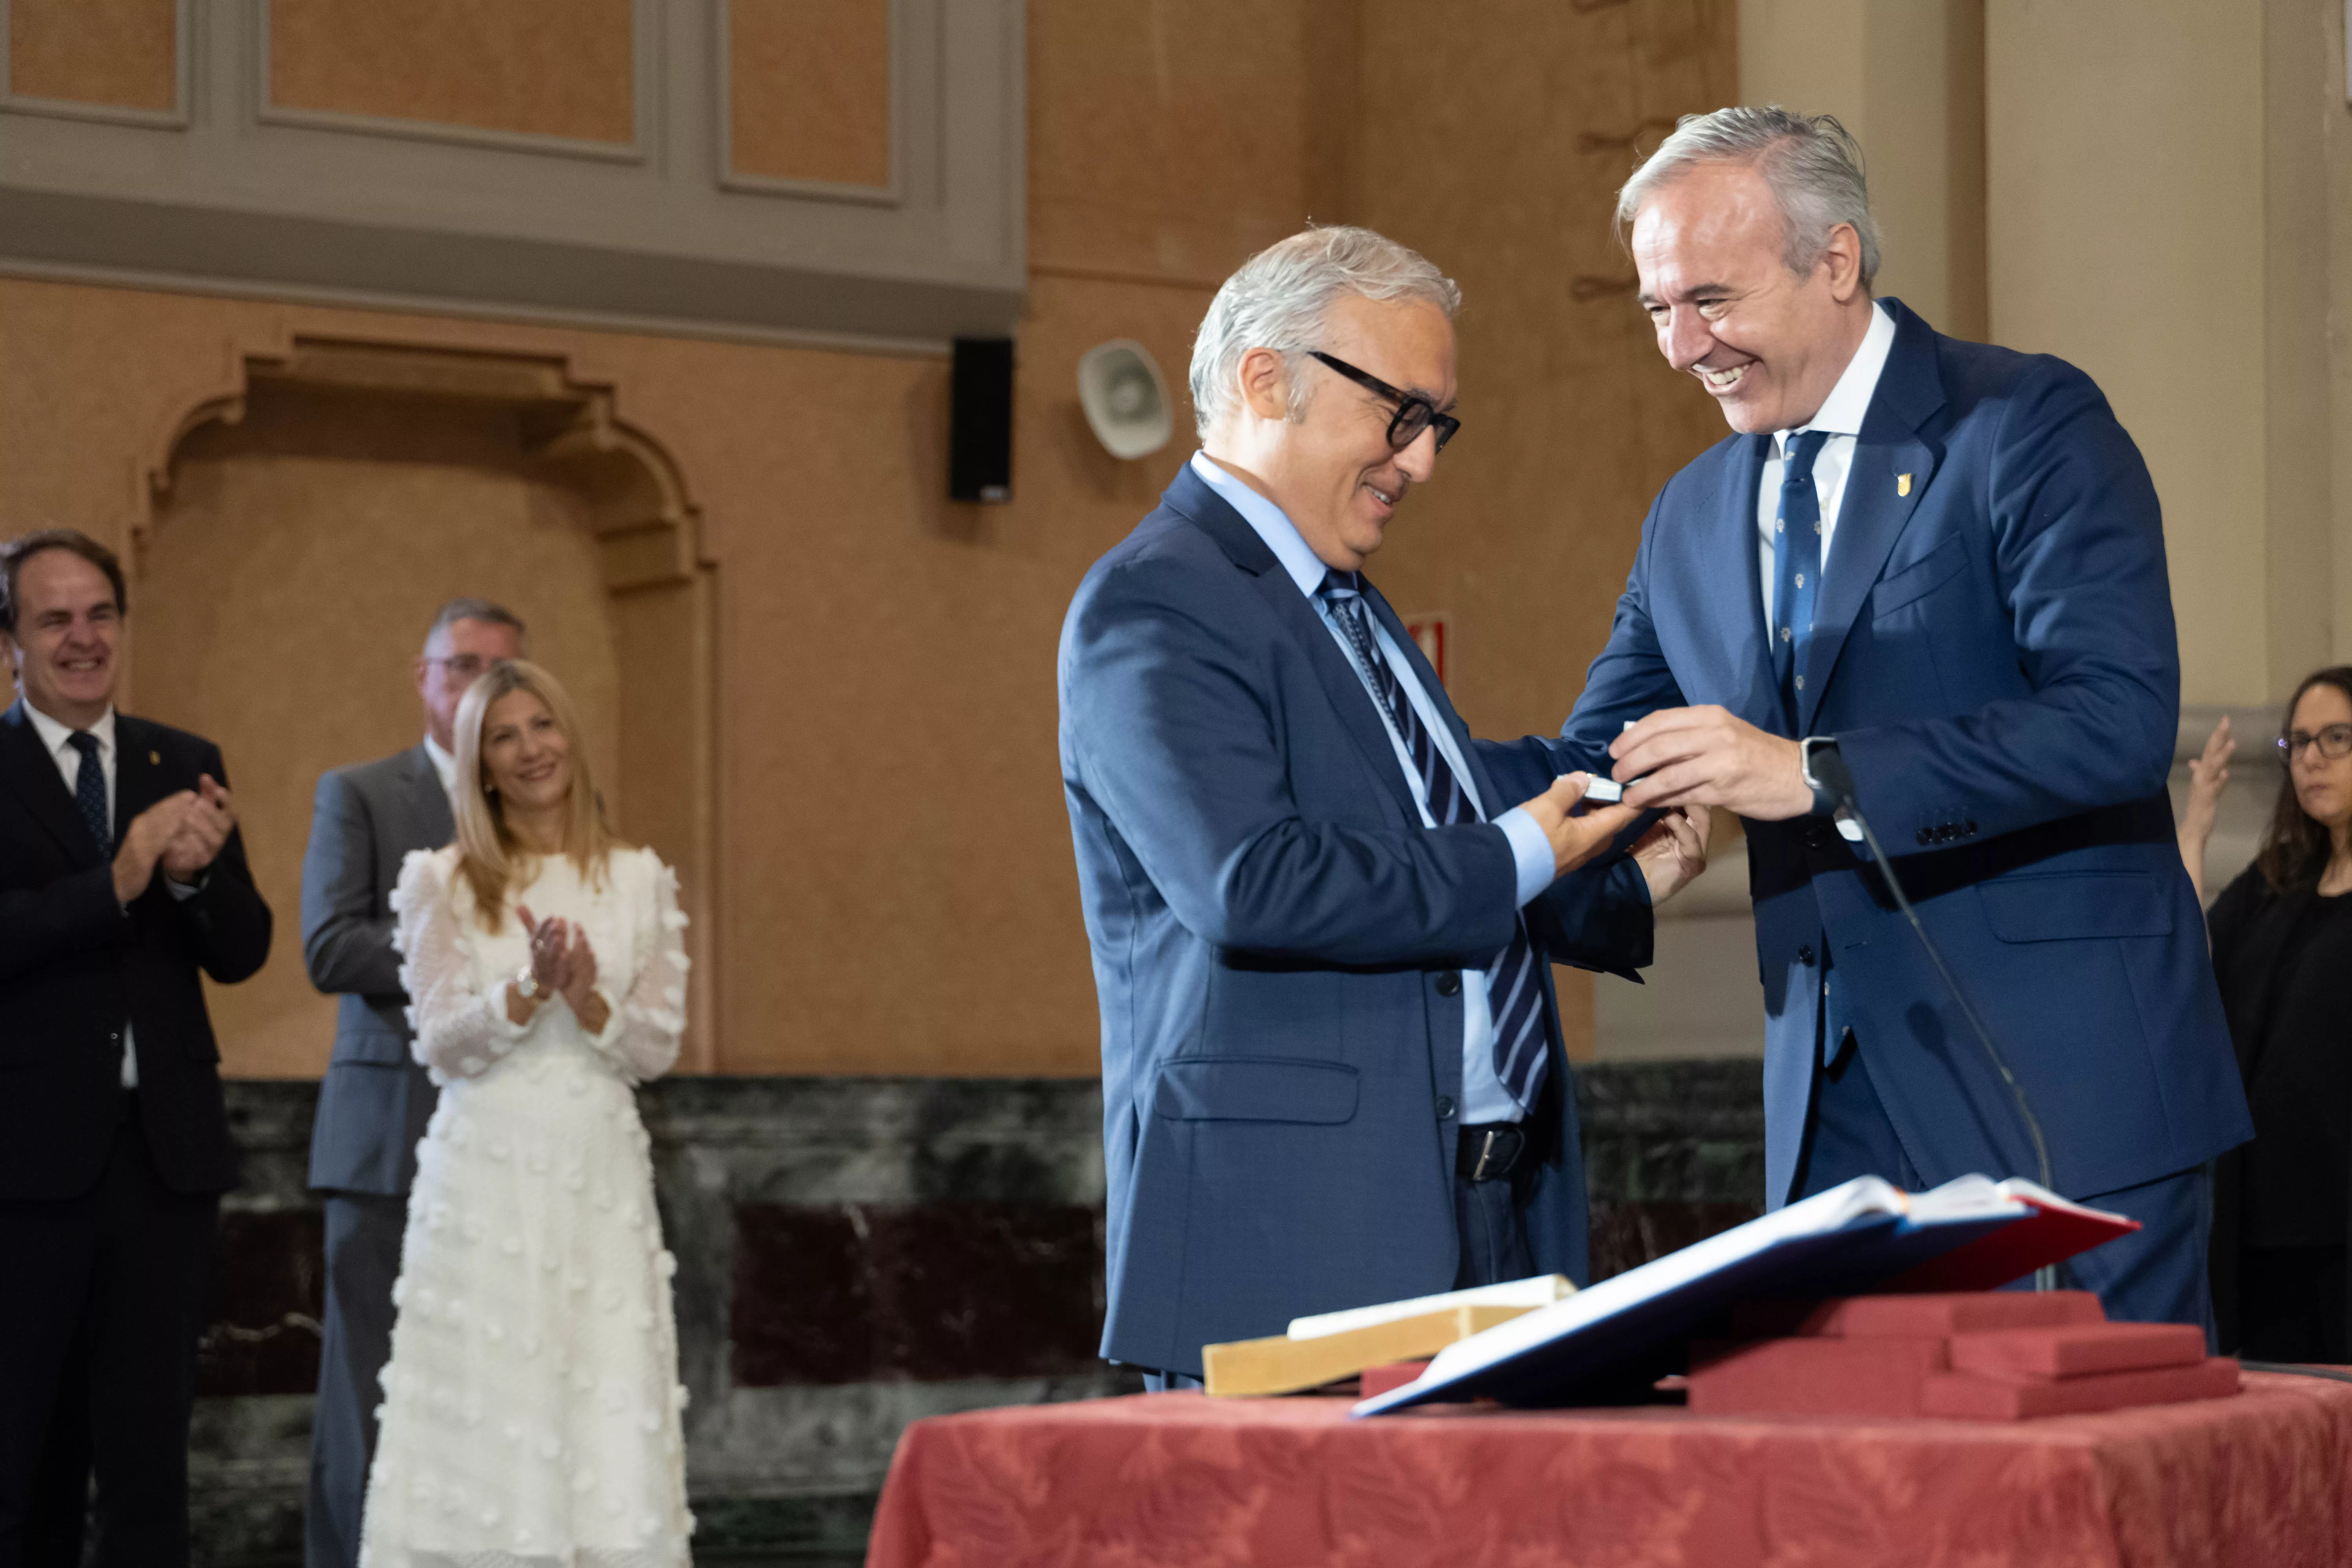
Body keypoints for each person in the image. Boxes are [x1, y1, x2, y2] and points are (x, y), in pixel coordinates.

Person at [1538, 106, 2251, 1328]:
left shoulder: (2023, 427)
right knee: (1871, 1503)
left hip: (2063, 1097)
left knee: (2083, 1500)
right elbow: (1595, 764)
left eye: (1711, 297)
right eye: (1658, 309)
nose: (1681, 347)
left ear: (1836, 261)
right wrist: (1501, 858)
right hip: (1833, 1132)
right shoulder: (1690, 516)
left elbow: (2116, 720)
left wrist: (1812, 773)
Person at [1058, 226, 1710, 1387]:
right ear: (1267, 378)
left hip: (1486, 1213)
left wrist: (1613, 858)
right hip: (1297, 1240)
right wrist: (1525, 850)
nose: (1420, 463)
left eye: (1437, 424)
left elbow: (1435, 824)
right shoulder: (1155, 601)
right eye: (1400, 414)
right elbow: (1252, 882)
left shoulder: (1342, 603)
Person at [358, 657, 692, 1565]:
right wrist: (526, 985)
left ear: (570, 735)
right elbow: (442, 1045)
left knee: (601, 1392)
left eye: (541, 725)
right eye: (503, 736)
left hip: (599, 1173)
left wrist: (585, 998)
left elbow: (656, 1048)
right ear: (480, 765)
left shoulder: (638, 877)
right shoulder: (443, 878)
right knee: (487, 1396)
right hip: (485, 1170)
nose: (529, 748)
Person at [0, 528, 272, 1566]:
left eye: (100, 614)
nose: (83, 638)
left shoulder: (183, 760)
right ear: (12, 643)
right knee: (24, 1463)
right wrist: (116, 884)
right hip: (22, 1167)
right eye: (53, 619)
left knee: (151, 1463)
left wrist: (198, 882)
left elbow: (243, 951)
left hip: (164, 1162)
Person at [300, 598, 527, 1568]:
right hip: (387, 1131)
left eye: (501, 673)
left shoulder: (544, 804)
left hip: (509, 1140)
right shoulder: (360, 791)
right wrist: (471, 949)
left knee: (487, 1399)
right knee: (367, 1392)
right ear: (424, 676)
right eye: (462, 666)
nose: (479, 687)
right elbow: (330, 943)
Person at [2181, 670, 2352, 1359]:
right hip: (2259, 1217)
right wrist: (2195, 828)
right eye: (2300, 742)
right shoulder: (2279, 879)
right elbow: (2190, 960)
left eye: (2336, 739)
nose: (2310, 759)